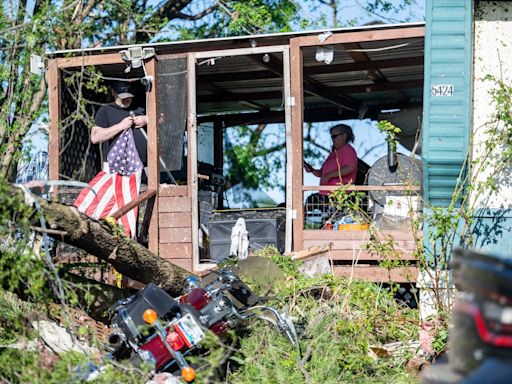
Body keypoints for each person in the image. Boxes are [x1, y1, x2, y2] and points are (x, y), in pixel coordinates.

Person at [91, 80, 148, 166]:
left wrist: (147, 119)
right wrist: (120, 126)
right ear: (113, 93)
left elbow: (162, 118)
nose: (127, 99)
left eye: (129, 96)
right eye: (123, 97)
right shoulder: (106, 110)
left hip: (144, 164)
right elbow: (95, 137)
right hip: (117, 166)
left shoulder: (140, 107)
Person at [304, 123, 358, 211]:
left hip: (339, 195)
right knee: (310, 203)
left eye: (335, 136)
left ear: (344, 136)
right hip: (326, 194)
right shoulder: (333, 153)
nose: (332, 139)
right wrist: (312, 170)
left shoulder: (348, 150)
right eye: (331, 136)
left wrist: (330, 175)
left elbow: (350, 167)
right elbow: (322, 174)